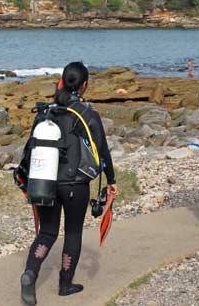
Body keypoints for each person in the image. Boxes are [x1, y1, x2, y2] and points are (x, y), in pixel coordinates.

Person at [20, 62, 118, 306]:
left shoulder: (45, 112)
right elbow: (102, 152)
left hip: (45, 181)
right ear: (84, 85)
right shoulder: (88, 114)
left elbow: (29, 149)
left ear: (62, 82)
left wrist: (24, 181)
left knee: (47, 232)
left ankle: (30, 273)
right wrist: (112, 181)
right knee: (72, 233)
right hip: (76, 184)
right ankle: (65, 285)